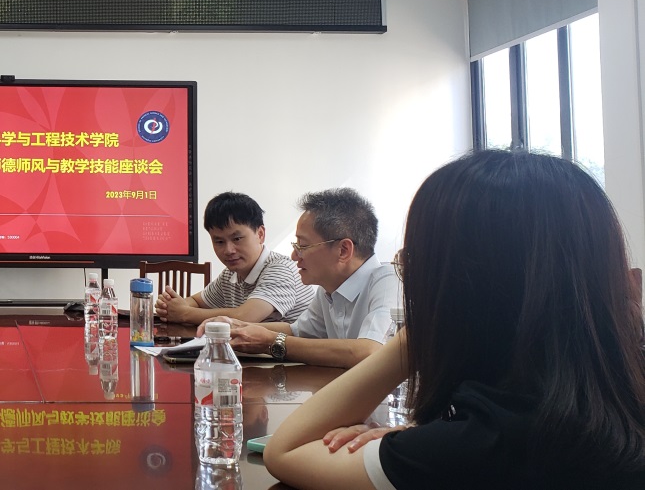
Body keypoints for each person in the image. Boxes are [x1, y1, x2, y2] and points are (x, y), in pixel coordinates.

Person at [263, 150, 645, 489]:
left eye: (415, 261)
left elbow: (285, 451)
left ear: (462, 290)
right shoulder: (607, 407)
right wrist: (422, 434)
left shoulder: (477, 446)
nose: (410, 277)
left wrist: (417, 336)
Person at [198, 188, 399, 368]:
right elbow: (296, 331)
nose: (294, 256)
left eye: (302, 246)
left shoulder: (389, 282)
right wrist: (235, 328)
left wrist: (272, 342)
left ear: (343, 250)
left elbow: (369, 352)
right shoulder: (328, 290)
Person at [156, 191, 314, 325]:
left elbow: (245, 317)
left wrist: (184, 313)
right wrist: (171, 306)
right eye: (219, 241)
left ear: (260, 234)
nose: (228, 250)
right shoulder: (230, 275)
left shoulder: (281, 269)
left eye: (237, 239)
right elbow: (197, 302)